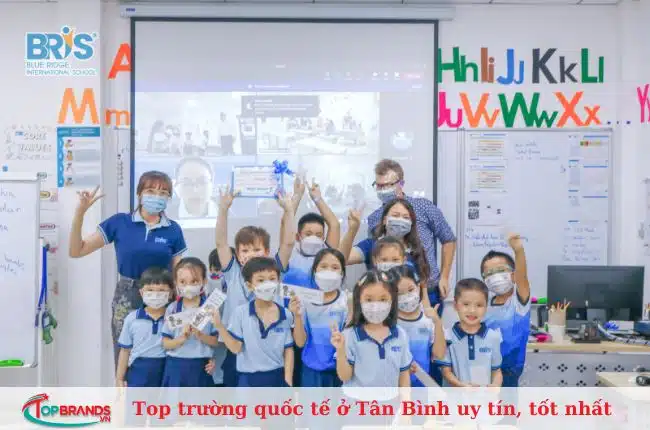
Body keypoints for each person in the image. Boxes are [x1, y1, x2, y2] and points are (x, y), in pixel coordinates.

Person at [68, 171, 187, 368]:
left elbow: (178, 273)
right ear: (139, 194)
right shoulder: (120, 222)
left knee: (164, 351)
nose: (157, 197)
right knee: (125, 351)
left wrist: (183, 304)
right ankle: (122, 387)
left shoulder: (173, 229)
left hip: (163, 296)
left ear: (168, 198)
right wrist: (80, 213)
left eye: (163, 193)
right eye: (151, 191)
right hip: (128, 294)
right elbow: (76, 250)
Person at [214, 188, 296, 386]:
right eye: (245, 250)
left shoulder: (274, 269)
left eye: (256, 249)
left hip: (271, 350)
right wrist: (223, 209)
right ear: (237, 254)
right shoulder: (233, 272)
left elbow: (288, 243)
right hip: (237, 347)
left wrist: (289, 210)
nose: (250, 254)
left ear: (267, 251)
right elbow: (221, 243)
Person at [368, 159, 456, 311]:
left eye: (387, 185)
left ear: (401, 184)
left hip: (428, 290)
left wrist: (445, 277)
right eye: (379, 185)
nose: (382, 190)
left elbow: (448, 239)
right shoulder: (374, 218)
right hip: (390, 293)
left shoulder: (423, 206)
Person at [211, 256, 294, 387]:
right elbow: (236, 348)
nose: (267, 284)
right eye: (261, 280)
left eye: (272, 279)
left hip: (277, 376)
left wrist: (288, 380)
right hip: (248, 379)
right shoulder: (240, 313)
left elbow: (288, 349)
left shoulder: (286, 314)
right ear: (249, 285)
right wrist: (219, 326)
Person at [332, 269, 412, 391]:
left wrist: (406, 401)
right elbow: (344, 376)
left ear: (392, 300)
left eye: (383, 299)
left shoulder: (400, 334)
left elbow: (404, 378)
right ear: (359, 300)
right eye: (369, 300)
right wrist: (340, 349)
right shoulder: (349, 335)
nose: (376, 306)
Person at [290, 248, 348, 387]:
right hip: (311, 372)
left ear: (342, 274)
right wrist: (297, 316)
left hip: (339, 371)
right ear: (315, 271)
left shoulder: (346, 302)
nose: (329, 271)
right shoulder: (304, 301)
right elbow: (300, 343)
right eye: (323, 266)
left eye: (335, 267)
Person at [481, 233, 530, 387]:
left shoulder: (518, 303)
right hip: (485, 369)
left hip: (510, 371)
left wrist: (518, 250)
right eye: (489, 273)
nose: (495, 276)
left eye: (500, 270)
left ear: (513, 275)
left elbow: (522, 278)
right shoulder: (483, 305)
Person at [161, 257, 219, 387]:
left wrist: (200, 335)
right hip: (175, 365)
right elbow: (165, 343)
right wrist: (182, 338)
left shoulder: (210, 308)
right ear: (176, 283)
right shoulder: (172, 308)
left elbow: (216, 342)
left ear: (204, 281)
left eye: (194, 281)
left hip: (201, 366)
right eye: (183, 282)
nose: (189, 286)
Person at [435, 278, 502, 387]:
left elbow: (497, 371)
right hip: (455, 397)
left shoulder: (493, 337)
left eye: (479, 305)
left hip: (484, 397)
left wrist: (496, 385)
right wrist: (461, 386)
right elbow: (446, 372)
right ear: (456, 305)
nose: (472, 310)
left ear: (486, 307)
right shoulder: (446, 336)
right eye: (466, 304)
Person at [115, 267, 173, 388]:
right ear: (141, 293)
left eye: (161, 290)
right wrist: (119, 379)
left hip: (166, 370)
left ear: (170, 293)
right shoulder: (132, 319)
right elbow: (125, 351)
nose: (155, 295)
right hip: (138, 371)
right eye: (150, 290)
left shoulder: (173, 319)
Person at [283, 176, 341, 288]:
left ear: (323, 238)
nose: (314, 238)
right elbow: (286, 222)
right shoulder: (289, 254)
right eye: (308, 234)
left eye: (318, 235)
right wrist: (297, 195)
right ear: (298, 237)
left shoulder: (327, 253)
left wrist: (317, 198)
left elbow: (335, 225)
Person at [390, 265, 442, 388]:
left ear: (418, 287)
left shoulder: (427, 321)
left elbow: (438, 354)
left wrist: (437, 322)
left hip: (422, 388)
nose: (406, 297)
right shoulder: (389, 324)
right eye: (399, 293)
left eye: (410, 290)